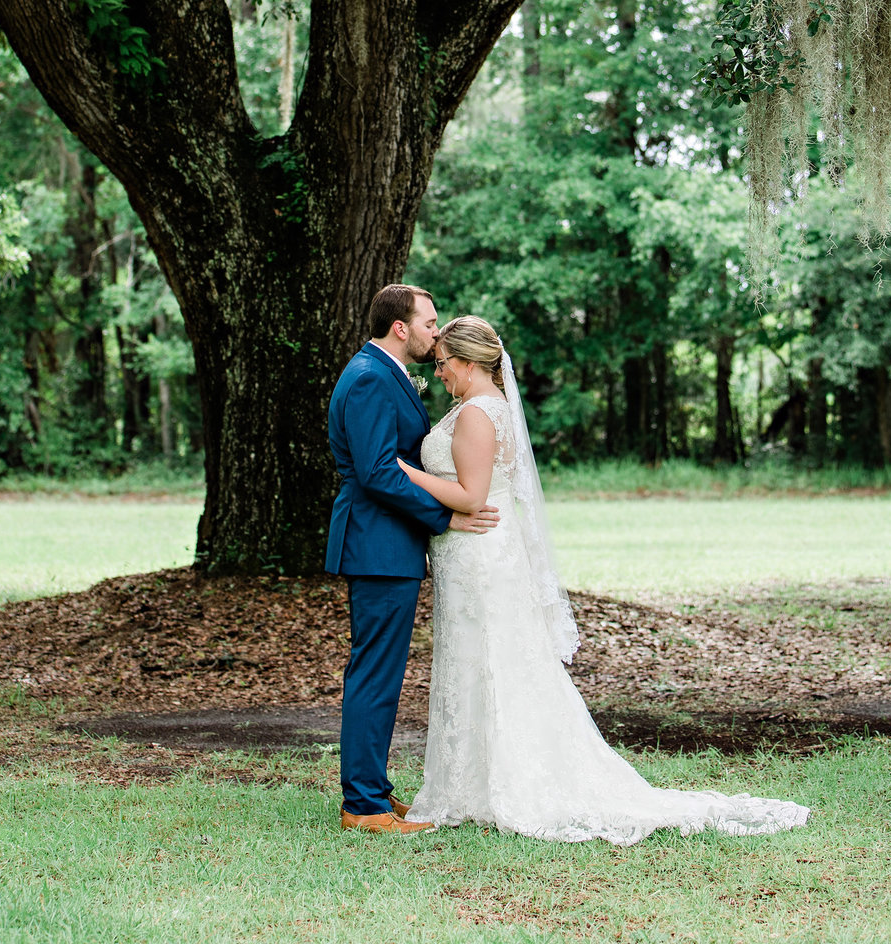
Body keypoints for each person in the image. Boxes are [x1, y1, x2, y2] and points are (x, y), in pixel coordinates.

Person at [396, 315, 810, 844]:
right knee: (475, 662)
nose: (441, 373)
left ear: (470, 362)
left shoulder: (478, 413)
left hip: (482, 554)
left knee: (493, 661)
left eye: (444, 364)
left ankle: (506, 783)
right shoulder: (478, 408)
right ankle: (471, 783)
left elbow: (473, 496)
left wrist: (403, 470)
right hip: (469, 555)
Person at [325, 284, 499, 833]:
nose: (435, 331)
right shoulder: (372, 377)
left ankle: (373, 791)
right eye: (429, 322)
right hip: (378, 544)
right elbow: (379, 471)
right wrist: (445, 518)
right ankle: (364, 806)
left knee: (379, 671)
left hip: (389, 544)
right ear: (400, 327)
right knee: (374, 673)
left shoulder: (384, 373)